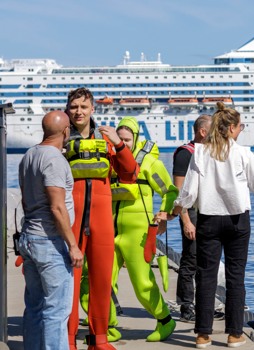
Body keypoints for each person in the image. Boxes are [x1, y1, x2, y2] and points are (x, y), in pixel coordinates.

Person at [171, 102, 254, 348]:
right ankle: (234, 334)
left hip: (208, 220)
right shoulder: (244, 153)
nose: (242, 130)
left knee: (206, 276)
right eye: (241, 126)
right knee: (235, 277)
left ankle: (202, 334)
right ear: (231, 128)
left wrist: (176, 211)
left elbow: (188, 193)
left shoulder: (200, 153)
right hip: (238, 221)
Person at [80, 117, 178, 341]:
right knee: (97, 280)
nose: (122, 143)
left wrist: (164, 215)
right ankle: (108, 326)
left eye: (126, 139)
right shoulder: (108, 161)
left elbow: (170, 191)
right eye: (118, 139)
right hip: (108, 230)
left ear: (134, 139)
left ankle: (165, 320)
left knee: (142, 284)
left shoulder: (149, 164)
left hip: (138, 233)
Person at [65, 87, 138, 350]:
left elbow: (130, 173)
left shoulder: (106, 139)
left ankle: (99, 338)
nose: (79, 112)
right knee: (69, 281)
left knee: (101, 278)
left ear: (92, 109)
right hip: (70, 218)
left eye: (84, 107)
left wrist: (119, 145)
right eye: (74, 107)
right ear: (67, 109)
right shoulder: (60, 137)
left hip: (101, 218)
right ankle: (68, 338)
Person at [18, 111, 84, 350]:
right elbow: (57, 207)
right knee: (57, 310)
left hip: (30, 237)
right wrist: (73, 246)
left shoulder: (29, 155)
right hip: (50, 241)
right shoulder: (55, 160)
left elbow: (26, 199)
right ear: (66, 131)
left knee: (35, 306)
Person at [172, 114, 225, 322]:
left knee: (209, 261)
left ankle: (204, 305)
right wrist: (186, 221)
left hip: (211, 211)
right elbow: (179, 192)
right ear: (203, 132)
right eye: (214, 130)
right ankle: (186, 306)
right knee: (191, 259)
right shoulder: (186, 154)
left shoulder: (211, 153)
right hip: (192, 211)